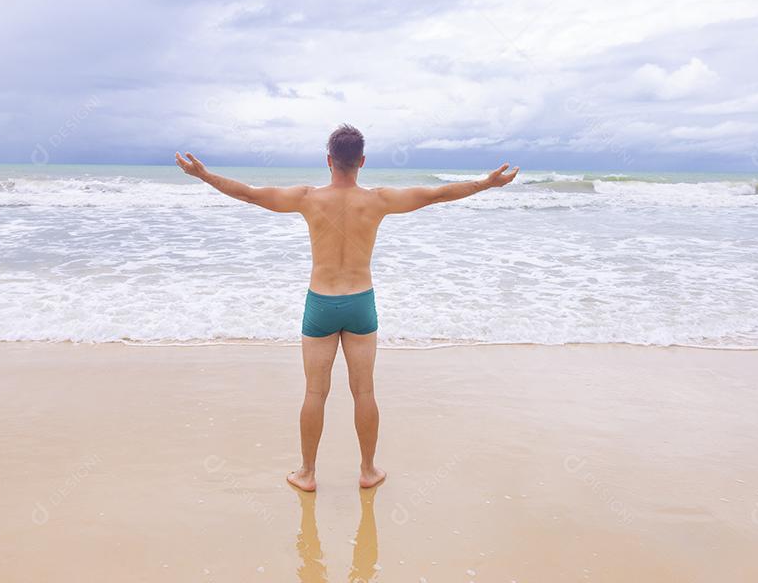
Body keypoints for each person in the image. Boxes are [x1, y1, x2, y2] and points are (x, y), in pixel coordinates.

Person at [175, 124, 519, 490]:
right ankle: (368, 471)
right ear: (362, 161)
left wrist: (204, 175)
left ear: (329, 161)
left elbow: (251, 195)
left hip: (321, 303)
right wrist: (487, 183)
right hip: (360, 302)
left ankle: (307, 473)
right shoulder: (379, 200)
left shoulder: (308, 198)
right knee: (365, 392)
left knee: (314, 393)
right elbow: (436, 195)